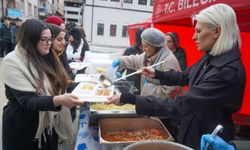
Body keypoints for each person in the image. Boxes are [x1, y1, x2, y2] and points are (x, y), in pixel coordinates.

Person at [107, 4, 246, 149]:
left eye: (198, 31)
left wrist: (132, 99)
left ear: (216, 31)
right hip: (192, 128)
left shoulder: (227, 71)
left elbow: (181, 104)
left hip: (206, 138)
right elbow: (185, 76)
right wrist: (157, 73)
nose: (194, 37)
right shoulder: (210, 57)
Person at [1, 19, 84, 150]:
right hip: (23, 126)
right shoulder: (12, 62)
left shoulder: (41, 55)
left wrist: (84, 88)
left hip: (47, 124)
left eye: (50, 39)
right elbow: (28, 100)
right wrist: (58, 100)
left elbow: (59, 82)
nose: (48, 44)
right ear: (30, 40)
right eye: (43, 40)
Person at [112, 27, 181, 99]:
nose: (143, 49)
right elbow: (135, 60)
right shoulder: (149, 54)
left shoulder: (169, 62)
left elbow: (170, 92)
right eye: (142, 46)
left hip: (162, 108)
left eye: (146, 46)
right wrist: (121, 61)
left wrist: (148, 88)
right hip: (149, 102)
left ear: (155, 46)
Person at [116, 28, 144, 94]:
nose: (143, 47)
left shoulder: (148, 51)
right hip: (130, 81)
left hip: (142, 83)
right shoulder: (129, 50)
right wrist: (119, 72)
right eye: (141, 44)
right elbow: (122, 66)